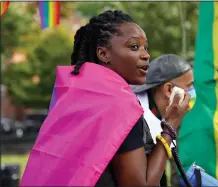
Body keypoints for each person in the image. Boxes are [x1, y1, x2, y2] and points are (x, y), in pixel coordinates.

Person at [20, 10, 190, 187]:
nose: (146, 55)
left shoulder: (74, 98)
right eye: (134, 47)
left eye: (145, 48)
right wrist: (171, 123)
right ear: (103, 54)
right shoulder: (121, 105)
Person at [131, 54, 195, 187]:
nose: (192, 93)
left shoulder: (163, 114)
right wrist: (171, 125)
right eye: (189, 87)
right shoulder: (135, 122)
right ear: (169, 89)